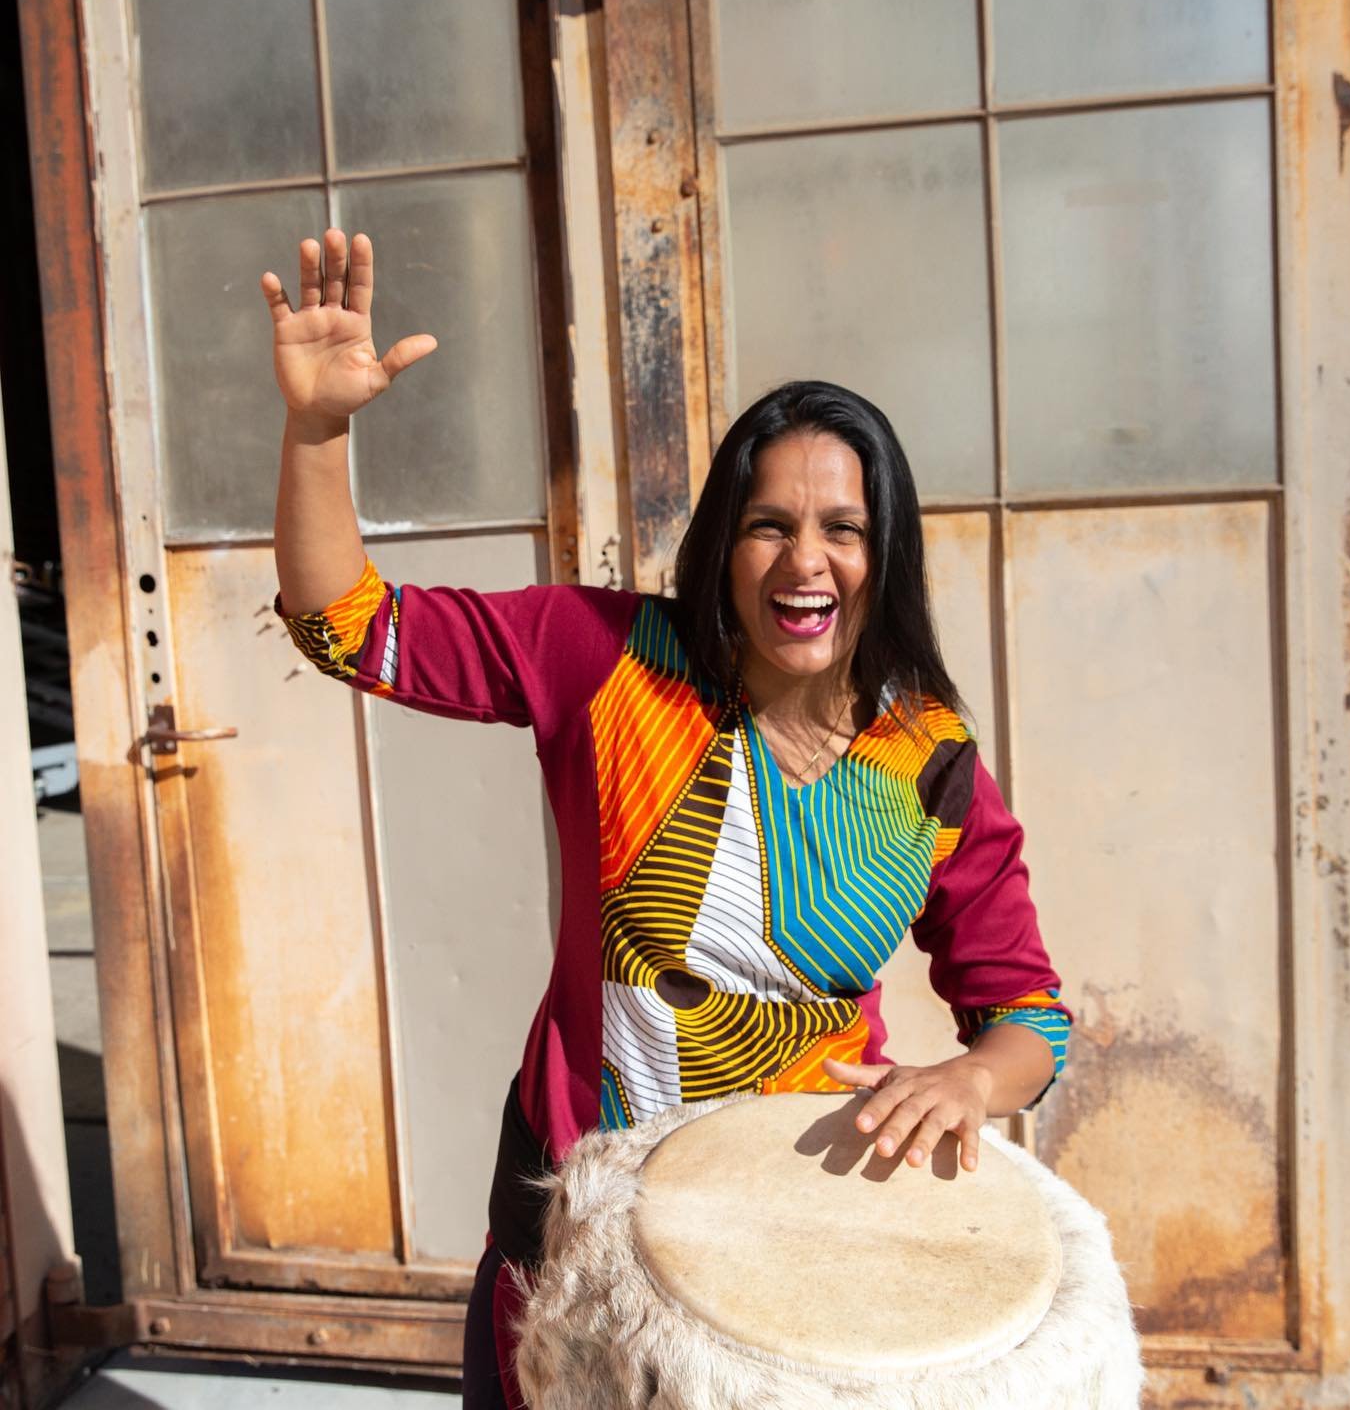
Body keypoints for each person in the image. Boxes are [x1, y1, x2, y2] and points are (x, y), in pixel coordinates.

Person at [261, 228, 1071, 1409]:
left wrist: (971, 1082)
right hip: (584, 1232)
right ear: (722, 545)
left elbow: (1029, 1015)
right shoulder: (605, 657)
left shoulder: (931, 756)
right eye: (768, 524)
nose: (805, 561)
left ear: (885, 549)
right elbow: (351, 626)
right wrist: (318, 430)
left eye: (842, 528)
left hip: (804, 1242)